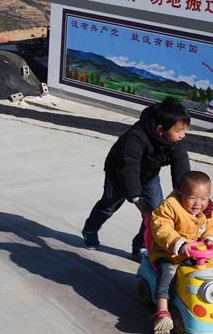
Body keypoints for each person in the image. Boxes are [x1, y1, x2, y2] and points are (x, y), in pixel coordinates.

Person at [81, 97, 191, 259]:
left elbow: (180, 162)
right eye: (179, 131)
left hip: (148, 175)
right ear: (161, 129)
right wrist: (137, 198)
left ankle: (140, 246)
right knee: (109, 205)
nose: (183, 135)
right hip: (119, 173)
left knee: (155, 213)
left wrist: (184, 192)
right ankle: (90, 229)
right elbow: (128, 169)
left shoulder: (175, 139)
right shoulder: (136, 137)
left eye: (185, 129)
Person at [148, 170, 213, 334]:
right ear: (180, 192)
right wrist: (178, 243)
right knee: (167, 273)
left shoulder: (209, 209)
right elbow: (161, 227)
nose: (198, 203)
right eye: (192, 198)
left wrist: (210, 239)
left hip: (196, 254)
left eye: (204, 198)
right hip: (169, 252)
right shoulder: (170, 206)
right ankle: (162, 311)